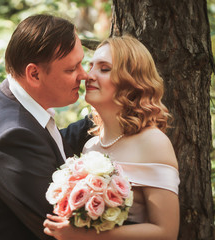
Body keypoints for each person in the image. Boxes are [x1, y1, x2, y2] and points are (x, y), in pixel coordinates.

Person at [0, 14, 93, 240]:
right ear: (34, 74)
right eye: (71, 69)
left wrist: (104, 114)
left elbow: (51, 147)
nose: (84, 75)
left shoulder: (8, 103)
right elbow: (63, 228)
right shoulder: (11, 136)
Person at [43, 35, 180, 240]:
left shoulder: (153, 142)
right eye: (91, 67)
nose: (89, 76)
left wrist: (84, 237)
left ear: (132, 81)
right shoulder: (91, 146)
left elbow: (166, 232)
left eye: (104, 69)